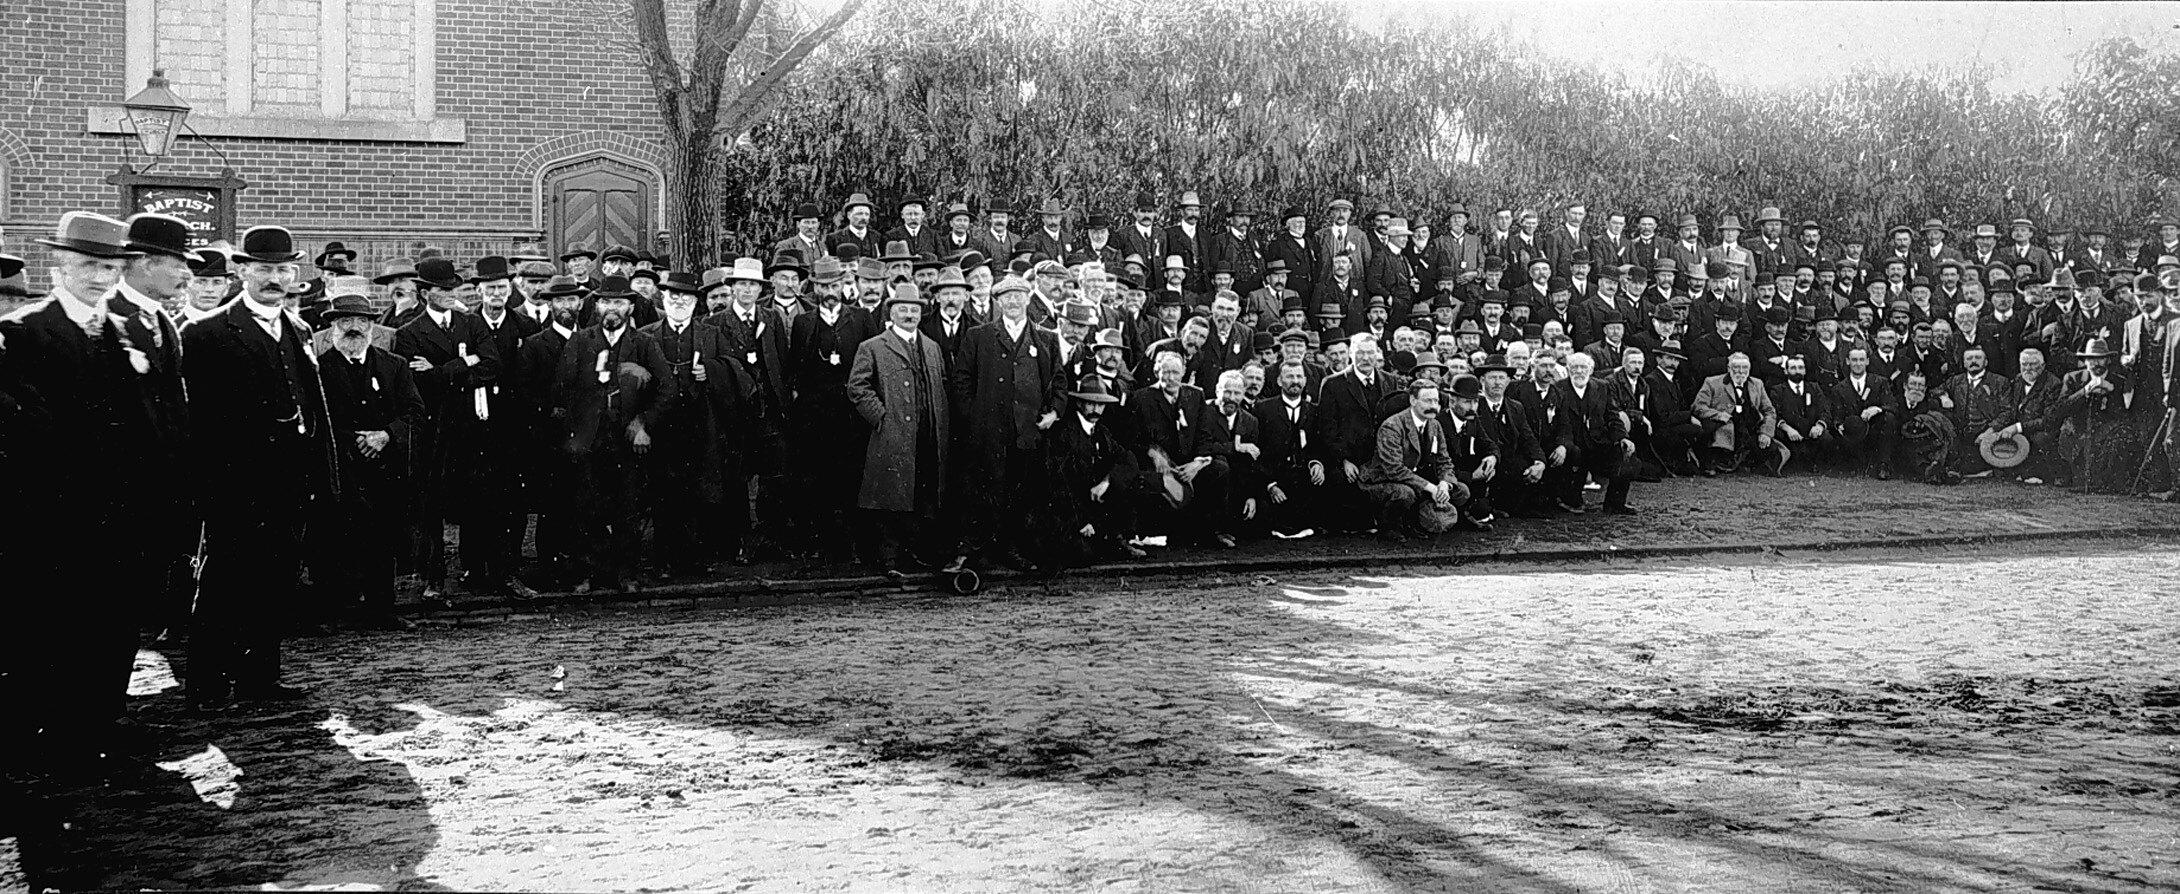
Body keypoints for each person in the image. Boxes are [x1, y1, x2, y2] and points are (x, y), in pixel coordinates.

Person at [0, 212, 169, 775]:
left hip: (119, 514)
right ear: (60, 267)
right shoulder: (25, 332)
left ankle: (100, 726)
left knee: (112, 625)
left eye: (109, 268)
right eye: (88, 266)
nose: (100, 277)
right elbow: (26, 433)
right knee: (51, 627)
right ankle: (46, 741)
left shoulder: (122, 331)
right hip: (53, 517)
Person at [179, 224, 338, 708]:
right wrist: (208, 488)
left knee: (275, 580)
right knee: (224, 583)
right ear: (242, 272)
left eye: (284, 270)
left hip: (289, 485)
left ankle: (259, 678)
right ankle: (207, 684)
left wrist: (321, 474)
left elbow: (313, 405)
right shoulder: (206, 333)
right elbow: (195, 421)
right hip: (234, 486)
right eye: (265, 269)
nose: (275, 279)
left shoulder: (299, 330)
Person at [315, 287, 425, 630]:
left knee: (383, 537)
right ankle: (335, 611)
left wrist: (386, 435)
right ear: (333, 327)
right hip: (340, 468)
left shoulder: (394, 366)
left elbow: (415, 412)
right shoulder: (318, 369)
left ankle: (382, 609)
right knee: (337, 538)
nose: (354, 328)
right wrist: (354, 441)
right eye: (345, 321)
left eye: (361, 321)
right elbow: (317, 420)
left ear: (371, 327)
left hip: (384, 468)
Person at [392, 256, 501, 600]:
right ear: (425, 293)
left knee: (477, 498)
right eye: (443, 289)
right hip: (434, 427)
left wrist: (442, 369)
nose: (451, 294)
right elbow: (417, 383)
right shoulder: (409, 332)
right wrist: (466, 362)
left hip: (471, 425)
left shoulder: (471, 324)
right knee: (432, 504)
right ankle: (434, 576)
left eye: (453, 288)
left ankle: (475, 569)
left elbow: (492, 365)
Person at [556, 277, 674, 594]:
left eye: (619, 302)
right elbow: (564, 388)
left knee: (628, 508)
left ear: (630, 307)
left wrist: (643, 423)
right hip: (589, 438)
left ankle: (626, 573)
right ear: (596, 306)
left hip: (627, 439)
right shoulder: (580, 341)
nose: (612, 308)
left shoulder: (644, 343)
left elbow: (667, 389)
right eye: (606, 302)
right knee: (586, 507)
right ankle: (591, 571)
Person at [948, 276, 1062, 571]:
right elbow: (961, 381)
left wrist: (1054, 412)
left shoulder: (1046, 338)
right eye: (1007, 296)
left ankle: (1012, 549)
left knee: (1021, 492)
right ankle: (979, 549)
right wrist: (975, 418)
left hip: (1028, 431)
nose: (1013, 301)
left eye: (1018, 296)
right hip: (989, 432)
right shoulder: (979, 336)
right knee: (985, 489)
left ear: (1028, 299)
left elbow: (1059, 381)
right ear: (998, 302)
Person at [641, 271, 745, 577]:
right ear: (663, 298)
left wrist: (710, 371)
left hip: (700, 423)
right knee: (662, 492)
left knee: (697, 491)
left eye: (685, 297)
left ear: (695, 301)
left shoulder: (710, 334)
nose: (678, 301)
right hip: (661, 425)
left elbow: (734, 367)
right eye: (672, 296)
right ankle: (664, 559)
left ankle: (694, 558)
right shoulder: (647, 335)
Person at [847, 283, 951, 578]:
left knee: (923, 493)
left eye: (914, 310)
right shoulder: (873, 347)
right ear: (891, 313)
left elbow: (942, 384)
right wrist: (881, 416)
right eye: (903, 309)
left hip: (928, 433)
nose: (909, 315)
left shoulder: (931, 347)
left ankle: (915, 552)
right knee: (891, 496)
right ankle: (889, 558)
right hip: (893, 434)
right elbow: (857, 387)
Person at [786, 256, 880, 560]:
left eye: (834, 286)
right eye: (824, 286)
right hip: (815, 415)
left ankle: (852, 543)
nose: (829, 292)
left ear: (843, 286)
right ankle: (820, 542)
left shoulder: (861, 318)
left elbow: (873, 365)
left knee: (852, 477)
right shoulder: (804, 323)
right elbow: (796, 368)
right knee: (817, 478)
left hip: (851, 414)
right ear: (815, 288)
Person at [1133, 351, 1235, 547]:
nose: (1171, 378)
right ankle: (1161, 533)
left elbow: (1204, 435)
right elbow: (1132, 439)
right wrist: (1153, 453)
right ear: (1156, 372)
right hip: (1159, 465)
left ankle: (1212, 531)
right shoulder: (1141, 398)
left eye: (1175, 372)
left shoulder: (1195, 395)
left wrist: (1197, 463)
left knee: (1220, 469)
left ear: (1183, 372)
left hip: (1189, 463)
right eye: (1166, 372)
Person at [1358, 378, 1466, 540]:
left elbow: (1444, 460)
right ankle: (1388, 527)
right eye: (1427, 400)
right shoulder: (1392, 426)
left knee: (1461, 491)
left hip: (1416, 480)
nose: (1433, 406)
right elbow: (1394, 469)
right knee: (1404, 493)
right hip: (1382, 480)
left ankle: (1418, 522)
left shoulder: (1434, 425)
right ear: (1413, 401)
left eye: (1436, 401)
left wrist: (1444, 484)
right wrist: (1431, 488)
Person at [1545, 351, 1636, 512]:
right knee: (1573, 457)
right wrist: (1563, 444)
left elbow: (1612, 416)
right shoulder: (1558, 388)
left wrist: (1623, 437)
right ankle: (1569, 501)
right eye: (1575, 367)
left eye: (1583, 367)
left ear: (1591, 370)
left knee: (1624, 456)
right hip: (1572, 444)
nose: (1579, 371)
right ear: (1568, 369)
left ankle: (1615, 504)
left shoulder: (1602, 386)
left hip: (1597, 443)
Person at [1692, 353, 1786, 476]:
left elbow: (1769, 411)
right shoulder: (1712, 382)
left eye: (1744, 367)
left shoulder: (1757, 384)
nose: (1741, 371)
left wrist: (1766, 432)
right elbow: (1698, 407)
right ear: (1729, 368)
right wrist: (1717, 415)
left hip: (1750, 429)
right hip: (1723, 428)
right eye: (1736, 367)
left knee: (1770, 450)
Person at [1768, 355, 1834, 472]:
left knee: (1827, 438)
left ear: (1805, 370)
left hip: (1811, 434)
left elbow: (1825, 410)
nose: (1797, 371)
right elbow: (1774, 414)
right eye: (1793, 368)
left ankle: (1816, 464)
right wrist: (1787, 429)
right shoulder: (1778, 390)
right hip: (1790, 435)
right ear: (1786, 371)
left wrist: (1819, 426)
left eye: (1800, 368)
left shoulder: (1814, 388)